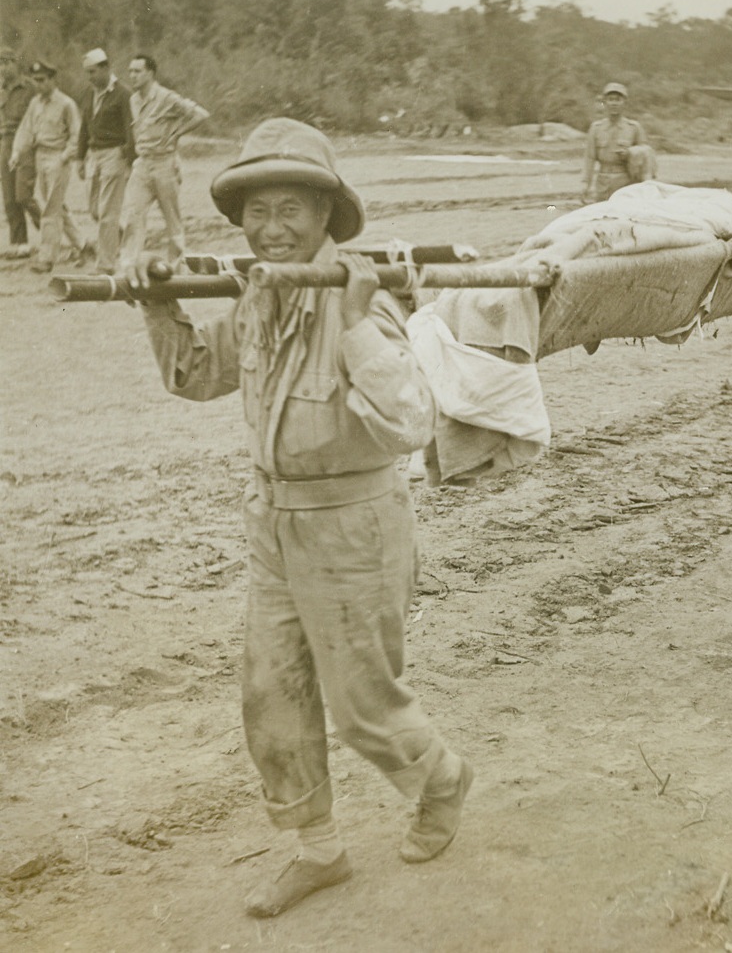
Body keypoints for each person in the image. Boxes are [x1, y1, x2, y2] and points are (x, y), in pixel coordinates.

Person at [126, 117, 473, 918]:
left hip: (354, 526)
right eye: (257, 211)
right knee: (271, 694)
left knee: (363, 705)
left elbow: (411, 423)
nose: (271, 229)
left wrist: (352, 322)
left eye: (290, 210)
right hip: (273, 525)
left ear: (325, 216)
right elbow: (195, 373)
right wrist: (158, 303)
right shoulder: (258, 295)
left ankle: (441, 778)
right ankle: (319, 850)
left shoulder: (365, 301)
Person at [121, 53, 209, 266]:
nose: (132, 76)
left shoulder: (166, 97)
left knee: (172, 219)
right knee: (132, 215)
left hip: (164, 163)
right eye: (130, 71)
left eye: (137, 71)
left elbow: (200, 114)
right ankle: (129, 266)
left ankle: (177, 267)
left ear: (150, 73)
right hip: (143, 163)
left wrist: (177, 133)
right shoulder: (134, 100)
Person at [9, 59, 83, 273]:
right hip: (40, 156)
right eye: (35, 80)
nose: (39, 85)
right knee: (56, 205)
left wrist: (65, 156)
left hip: (58, 157)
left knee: (50, 208)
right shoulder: (35, 103)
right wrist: (17, 152)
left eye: (42, 80)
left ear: (52, 80)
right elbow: (26, 129)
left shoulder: (66, 104)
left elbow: (76, 135)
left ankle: (47, 257)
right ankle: (82, 244)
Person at [77, 48, 135, 274]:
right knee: (94, 210)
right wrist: (80, 157)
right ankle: (120, 237)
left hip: (114, 154)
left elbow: (131, 128)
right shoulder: (88, 93)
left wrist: (129, 158)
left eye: (92, 72)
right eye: (86, 72)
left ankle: (106, 264)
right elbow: (84, 126)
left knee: (108, 212)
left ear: (105, 68)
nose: (89, 77)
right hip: (94, 155)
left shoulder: (123, 94)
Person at [581, 82, 647, 203]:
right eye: (610, 99)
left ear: (625, 103)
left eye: (618, 99)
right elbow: (589, 158)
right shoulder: (596, 128)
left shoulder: (634, 127)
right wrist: (586, 183)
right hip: (602, 183)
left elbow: (646, 154)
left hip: (626, 183)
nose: (614, 103)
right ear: (604, 102)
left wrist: (630, 153)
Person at [1, 46, 37, 258]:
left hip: (25, 142)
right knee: (9, 198)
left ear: (15, 63)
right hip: (5, 143)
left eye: (6, 63)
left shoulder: (29, 87)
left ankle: (51, 232)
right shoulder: (1, 89)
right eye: (0, 64)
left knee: (24, 195)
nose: (2, 68)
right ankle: (19, 243)